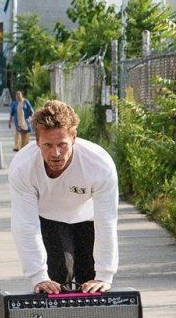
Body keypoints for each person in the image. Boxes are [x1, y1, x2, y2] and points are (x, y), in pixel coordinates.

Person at [8, 99, 118, 294]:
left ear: (74, 137)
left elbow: (107, 221)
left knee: (90, 282)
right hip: (49, 217)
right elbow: (24, 224)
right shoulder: (22, 167)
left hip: (88, 218)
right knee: (57, 278)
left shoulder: (99, 165)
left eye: (62, 144)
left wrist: (105, 274)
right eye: (48, 145)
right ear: (37, 141)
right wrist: (39, 276)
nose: (55, 153)